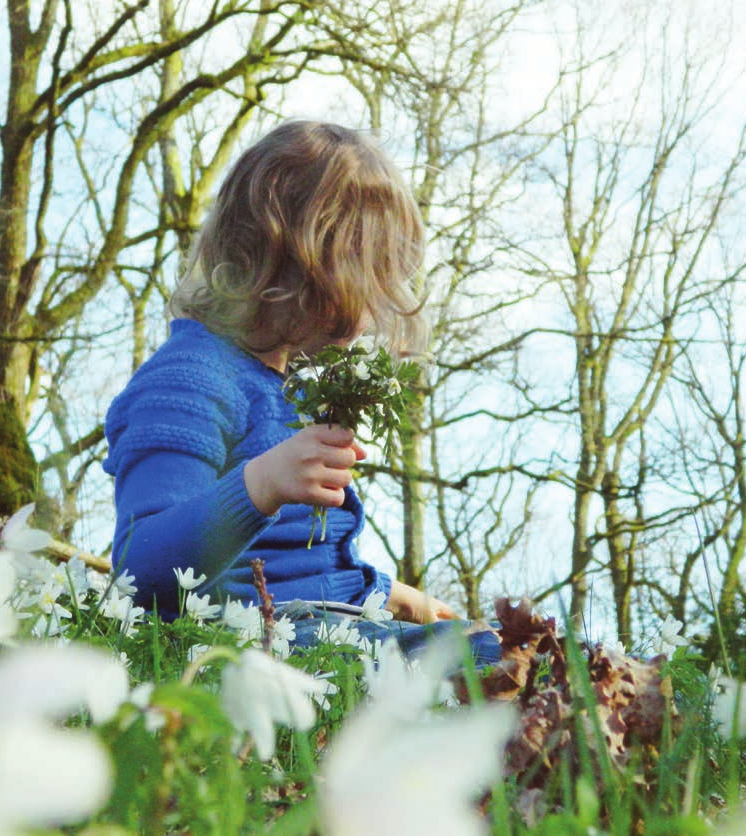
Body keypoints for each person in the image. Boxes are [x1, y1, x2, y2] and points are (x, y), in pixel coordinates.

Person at [103, 120, 501, 664]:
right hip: (261, 654)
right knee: (499, 660)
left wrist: (391, 594)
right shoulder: (188, 380)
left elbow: (295, 565)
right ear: (292, 268)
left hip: (333, 633)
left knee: (526, 644)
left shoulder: (278, 383)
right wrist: (260, 484)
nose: (366, 318)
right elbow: (138, 569)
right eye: (362, 283)